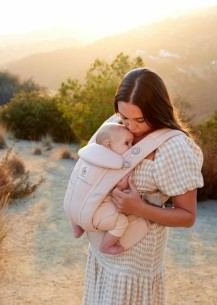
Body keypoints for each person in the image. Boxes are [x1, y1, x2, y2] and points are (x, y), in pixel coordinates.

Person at [81, 68, 204, 305]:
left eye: (139, 119)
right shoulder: (114, 125)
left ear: (157, 110)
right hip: (102, 250)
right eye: (124, 116)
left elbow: (187, 217)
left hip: (135, 261)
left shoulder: (173, 147)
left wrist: (138, 208)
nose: (131, 127)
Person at [71, 122, 145, 255]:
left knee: (76, 200)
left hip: (70, 207)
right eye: (127, 143)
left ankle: (77, 227)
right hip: (93, 214)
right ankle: (106, 245)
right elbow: (121, 185)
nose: (131, 147)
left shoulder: (88, 156)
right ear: (108, 145)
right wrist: (129, 175)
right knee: (121, 222)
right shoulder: (114, 163)